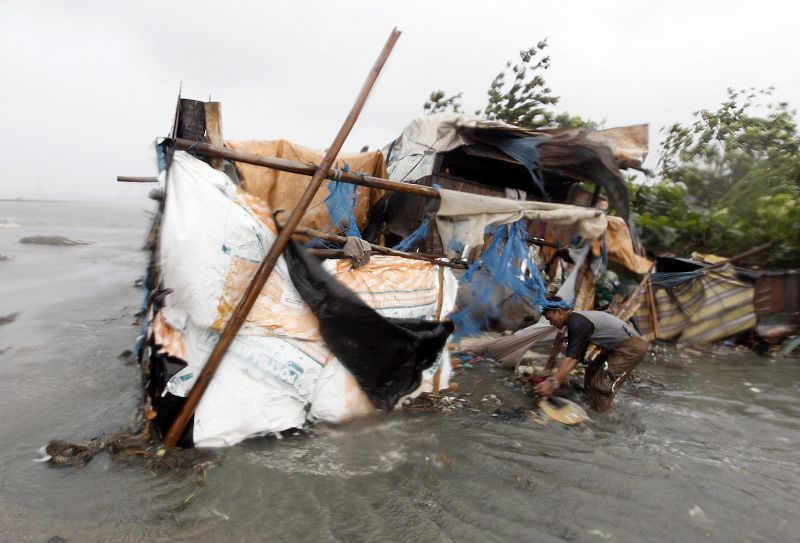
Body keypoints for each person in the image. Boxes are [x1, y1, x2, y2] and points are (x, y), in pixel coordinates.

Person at [534, 297, 648, 412]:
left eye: (550, 318)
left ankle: (604, 419)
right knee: (592, 373)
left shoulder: (577, 322)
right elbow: (576, 357)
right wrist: (555, 377)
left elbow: (572, 359)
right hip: (615, 347)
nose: (550, 322)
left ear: (559, 311)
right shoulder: (576, 321)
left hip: (631, 347)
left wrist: (552, 383)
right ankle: (591, 405)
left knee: (601, 385)